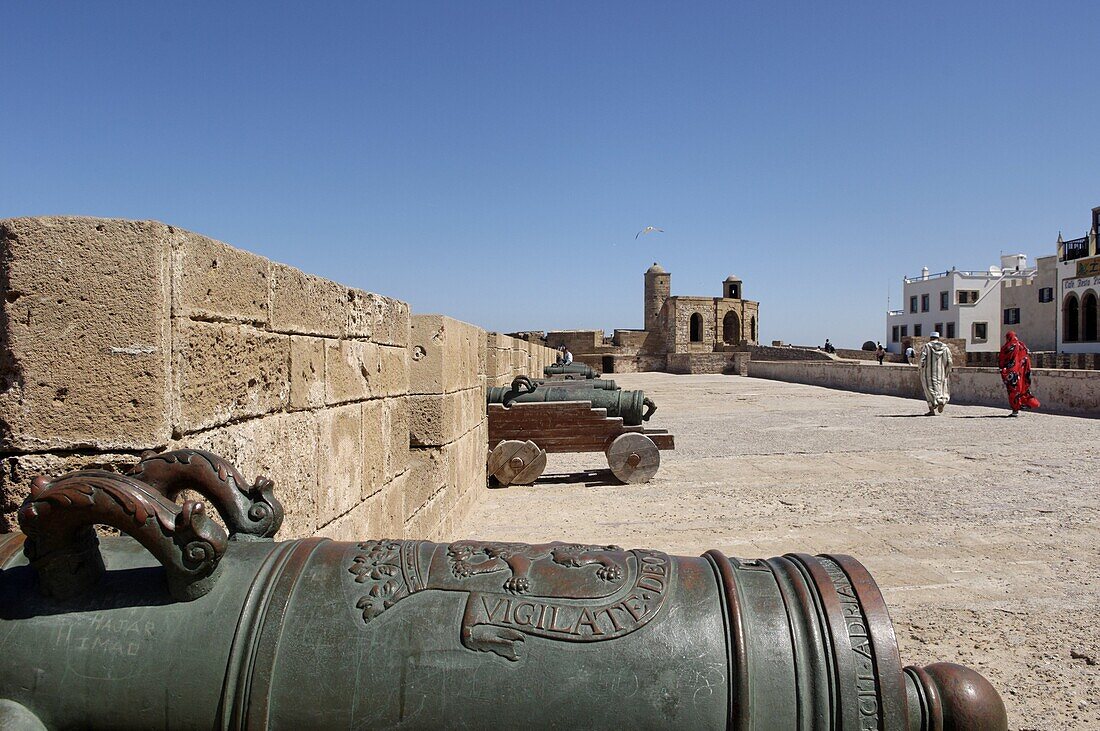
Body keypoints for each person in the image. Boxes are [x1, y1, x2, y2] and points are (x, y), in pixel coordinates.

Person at [998, 331, 1040, 416]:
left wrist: (1003, 369)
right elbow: (1026, 359)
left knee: (1013, 391)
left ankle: (1015, 410)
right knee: (1021, 390)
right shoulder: (1022, 346)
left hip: (1012, 374)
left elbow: (1002, 360)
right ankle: (1025, 404)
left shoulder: (1007, 347)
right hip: (1021, 373)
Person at [919, 332, 952, 415]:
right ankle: (942, 401)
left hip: (928, 374)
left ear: (930, 338)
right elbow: (950, 361)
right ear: (938, 338)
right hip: (941, 373)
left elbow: (922, 359)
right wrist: (947, 370)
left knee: (929, 390)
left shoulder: (927, 346)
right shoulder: (945, 348)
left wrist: (920, 368)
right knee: (941, 390)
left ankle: (932, 409)